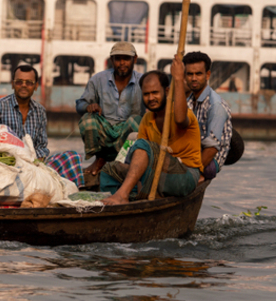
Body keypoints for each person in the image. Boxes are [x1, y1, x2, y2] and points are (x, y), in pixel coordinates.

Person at [100, 55, 202, 206]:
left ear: (167, 91)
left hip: (184, 176)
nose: (151, 98)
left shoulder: (182, 113)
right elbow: (139, 156)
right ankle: (122, 198)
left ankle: (123, 195)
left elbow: (180, 120)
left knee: (143, 145)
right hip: (156, 174)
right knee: (109, 169)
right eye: (146, 94)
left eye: (155, 93)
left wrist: (179, 78)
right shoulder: (147, 119)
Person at [0, 65, 84, 187]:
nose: (24, 85)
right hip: (5, 164)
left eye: (29, 82)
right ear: (12, 84)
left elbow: (42, 146)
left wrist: (36, 162)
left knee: (72, 157)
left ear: (36, 86)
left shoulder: (40, 111)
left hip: (33, 164)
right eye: (19, 82)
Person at [76, 42, 144, 176]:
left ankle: (118, 161)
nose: (122, 63)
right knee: (87, 120)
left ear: (134, 59)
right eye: (118, 59)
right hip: (105, 131)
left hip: (128, 134)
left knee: (136, 121)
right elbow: (80, 105)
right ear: (112, 60)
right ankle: (100, 159)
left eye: (126, 59)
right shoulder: (98, 79)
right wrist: (89, 106)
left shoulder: (142, 81)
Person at [183, 51, 233, 180]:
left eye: (198, 74)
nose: (194, 78)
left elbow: (211, 148)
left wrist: (191, 173)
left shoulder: (215, 106)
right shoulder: (189, 100)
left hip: (209, 160)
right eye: (190, 74)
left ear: (207, 75)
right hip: (192, 152)